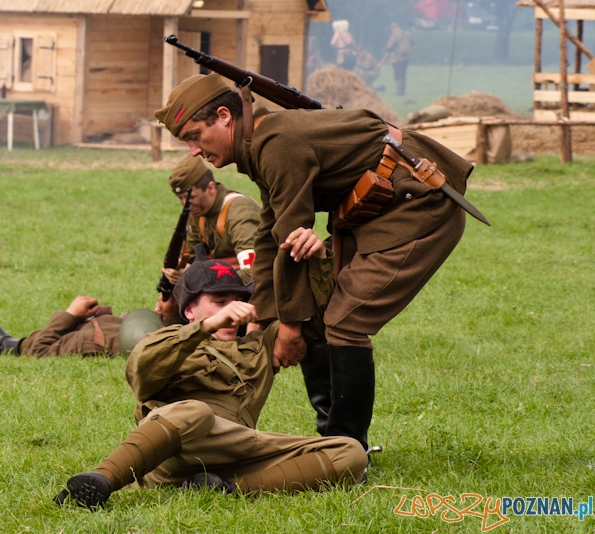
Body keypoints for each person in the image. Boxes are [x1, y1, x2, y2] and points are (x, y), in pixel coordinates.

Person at [153, 73, 474, 452]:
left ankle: (347, 448)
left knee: (345, 321)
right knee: (323, 315)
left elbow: (293, 242)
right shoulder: (262, 143)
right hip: (377, 209)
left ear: (224, 116)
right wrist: (260, 311)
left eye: (194, 135)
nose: (194, 151)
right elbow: (270, 235)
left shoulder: (275, 143)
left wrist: (289, 326)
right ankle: (334, 439)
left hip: (419, 205)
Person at [56, 242, 365, 509]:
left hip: (237, 448)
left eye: (237, 300)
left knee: (349, 451)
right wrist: (207, 326)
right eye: (219, 302)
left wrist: (317, 258)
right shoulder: (170, 339)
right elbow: (142, 372)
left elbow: (325, 316)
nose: (232, 310)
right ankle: (101, 481)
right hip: (176, 450)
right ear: (190, 310)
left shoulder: (260, 344)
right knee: (195, 411)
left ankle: (225, 487)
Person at [155, 155, 261, 324]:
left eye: (190, 197)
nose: (185, 204)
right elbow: (190, 258)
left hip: (258, 292)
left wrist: (195, 281)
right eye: (180, 198)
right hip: (227, 290)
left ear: (211, 187)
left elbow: (255, 272)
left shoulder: (240, 213)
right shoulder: (196, 211)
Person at [0, 296, 161, 357]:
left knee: (41, 345)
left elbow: (41, 350)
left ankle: (14, 346)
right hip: (132, 330)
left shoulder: (91, 342)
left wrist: (70, 314)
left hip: (116, 338)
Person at [381, 22, 413, 96]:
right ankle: (403, 91)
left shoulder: (395, 35)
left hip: (398, 57)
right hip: (407, 57)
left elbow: (388, 46)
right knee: (403, 74)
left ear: (393, 28)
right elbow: (413, 42)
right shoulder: (407, 34)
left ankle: (399, 92)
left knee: (398, 74)